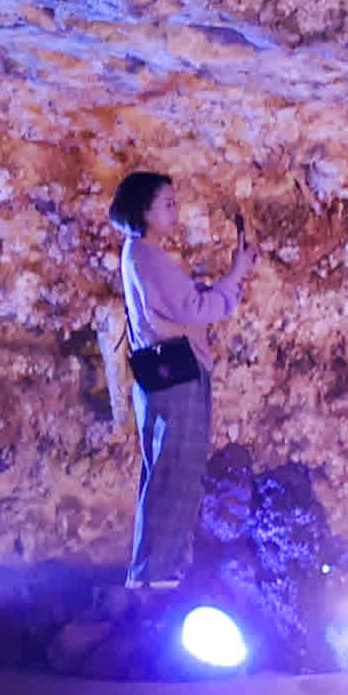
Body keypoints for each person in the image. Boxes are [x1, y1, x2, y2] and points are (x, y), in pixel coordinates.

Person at [107, 169, 248, 597]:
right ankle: (159, 577)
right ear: (143, 210)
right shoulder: (147, 257)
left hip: (162, 378)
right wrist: (235, 275)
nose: (175, 210)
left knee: (165, 474)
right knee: (178, 473)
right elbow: (193, 309)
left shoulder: (137, 254)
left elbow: (176, 306)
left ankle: (149, 573)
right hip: (179, 378)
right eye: (167, 203)